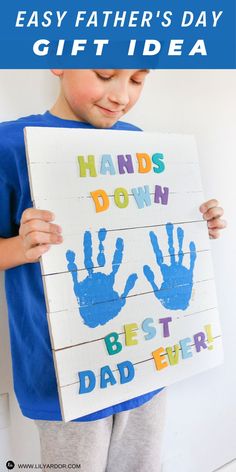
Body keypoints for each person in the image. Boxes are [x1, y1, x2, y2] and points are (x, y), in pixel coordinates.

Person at [0, 69, 227, 472]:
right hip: (62, 381)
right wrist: (21, 246)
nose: (121, 95)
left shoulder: (137, 142)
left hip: (145, 363)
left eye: (138, 80)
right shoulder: (10, 145)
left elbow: (150, 232)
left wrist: (192, 224)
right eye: (106, 74)